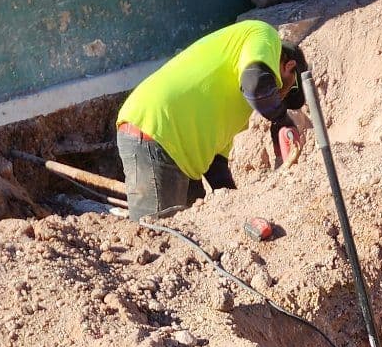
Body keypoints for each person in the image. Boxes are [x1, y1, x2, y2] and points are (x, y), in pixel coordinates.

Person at [115, 20, 305, 220]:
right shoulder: (263, 34)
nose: (279, 98)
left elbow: (216, 165)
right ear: (288, 66)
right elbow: (256, 83)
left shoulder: (235, 104)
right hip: (156, 129)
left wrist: (237, 207)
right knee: (160, 237)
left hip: (176, 150)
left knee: (197, 234)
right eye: (284, 94)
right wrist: (283, 120)